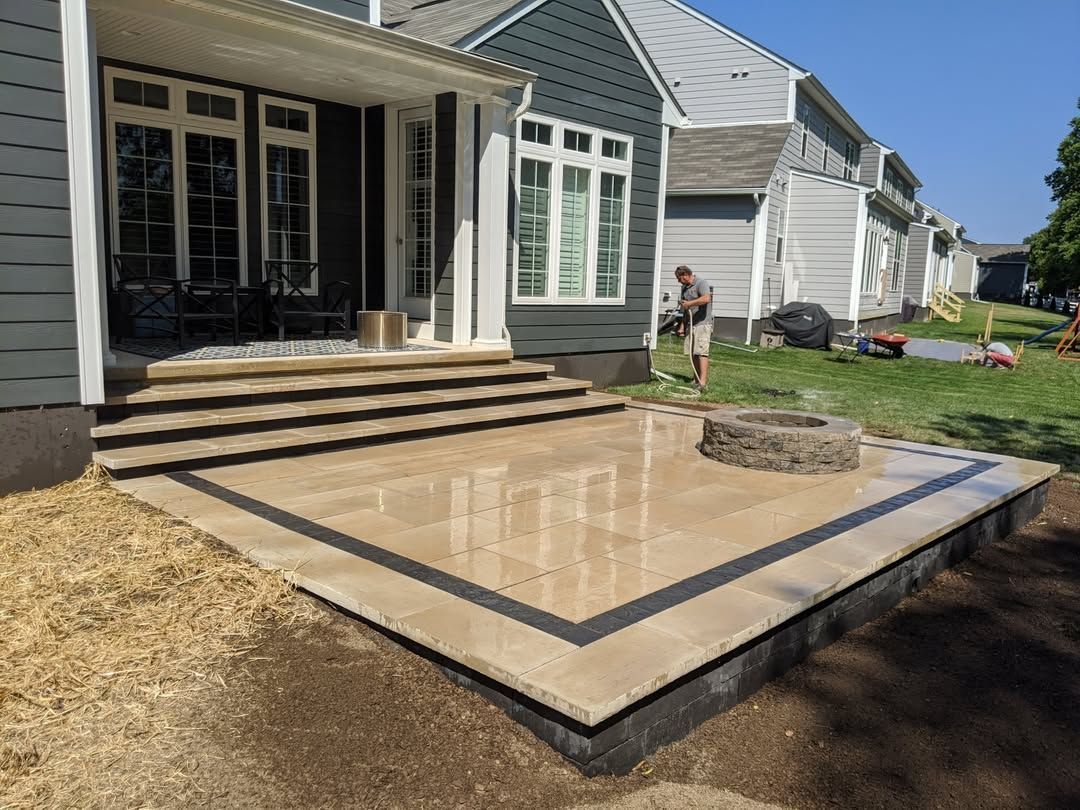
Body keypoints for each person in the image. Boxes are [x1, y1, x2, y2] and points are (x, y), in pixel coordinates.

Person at [673, 265, 712, 389]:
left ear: (686, 275)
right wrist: (682, 326)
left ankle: (703, 383)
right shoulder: (684, 288)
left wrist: (690, 303)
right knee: (693, 353)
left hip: (702, 324)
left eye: (679, 278)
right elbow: (686, 309)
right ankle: (696, 380)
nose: (678, 281)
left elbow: (706, 298)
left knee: (702, 353)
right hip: (691, 323)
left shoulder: (701, 283)